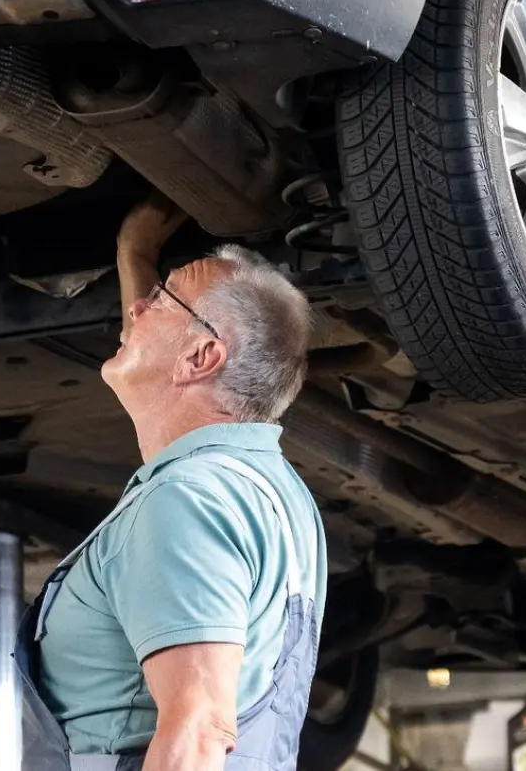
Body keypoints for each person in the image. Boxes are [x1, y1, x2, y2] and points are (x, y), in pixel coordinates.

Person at [19, 193, 328, 771]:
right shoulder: (269, 491)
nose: (136, 310)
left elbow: (199, 729)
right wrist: (135, 253)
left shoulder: (189, 500)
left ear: (203, 356)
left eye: (160, 299)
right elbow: (158, 357)